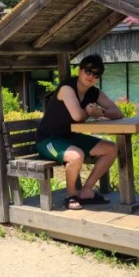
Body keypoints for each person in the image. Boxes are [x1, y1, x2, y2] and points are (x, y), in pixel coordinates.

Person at [35, 54, 124, 210]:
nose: (91, 76)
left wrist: (101, 112)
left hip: (71, 137)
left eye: (96, 74)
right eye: (88, 71)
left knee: (112, 149)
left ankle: (86, 190)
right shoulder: (67, 88)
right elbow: (77, 115)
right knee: (76, 156)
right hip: (48, 140)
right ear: (80, 70)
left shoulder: (93, 92)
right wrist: (90, 112)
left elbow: (117, 112)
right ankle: (71, 195)